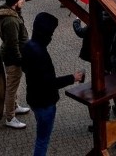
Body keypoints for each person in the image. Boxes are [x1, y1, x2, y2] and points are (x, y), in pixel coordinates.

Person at [21, 12, 85, 156]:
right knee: (42, 140)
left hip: (33, 98)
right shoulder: (40, 54)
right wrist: (73, 77)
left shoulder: (28, 46)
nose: (52, 36)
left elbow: (25, 68)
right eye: (51, 32)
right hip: (45, 103)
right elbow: (50, 83)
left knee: (41, 132)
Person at [0, 0, 31, 129]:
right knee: (11, 88)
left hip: (14, 56)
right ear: (15, 3)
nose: (23, 0)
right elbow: (12, 44)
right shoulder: (11, 20)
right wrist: (19, 60)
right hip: (13, 59)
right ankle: (10, 117)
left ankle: (15, 106)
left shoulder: (12, 14)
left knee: (14, 84)